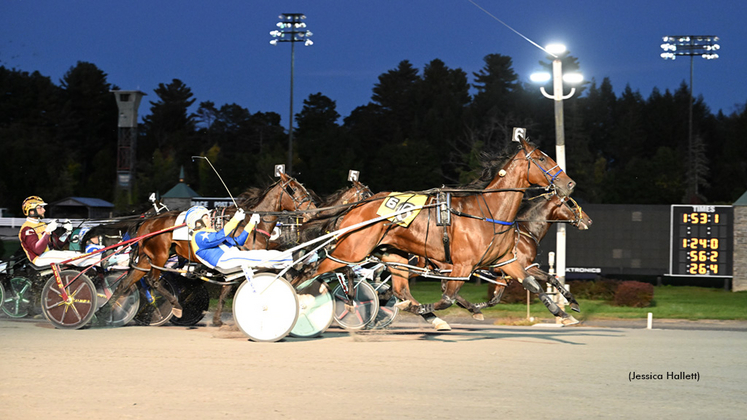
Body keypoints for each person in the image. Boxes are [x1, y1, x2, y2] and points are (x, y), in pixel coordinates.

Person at [186, 206, 294, 271]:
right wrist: (235, 219)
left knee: (263, 254)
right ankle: (292, 259)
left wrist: (251, 223)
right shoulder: (198, 236)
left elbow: (238, 241)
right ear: (197, 222)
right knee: (261, 256)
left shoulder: (211, 233)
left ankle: (290, 261)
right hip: (224, 260)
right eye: (206, 217)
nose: (210, 219)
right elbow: (219, 237)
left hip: (232, 255)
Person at [18, 196, 98, 267]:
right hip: (39, 258)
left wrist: (67, 232)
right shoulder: (27, 229)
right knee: (73, 258)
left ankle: (99, 260)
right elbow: (37, 250)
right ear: (31, 211)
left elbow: (58, 244)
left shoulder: (43, 225)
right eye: (40, 208)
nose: (44, 210)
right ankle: (99, 261)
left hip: (49, 254)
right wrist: (47, 232)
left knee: (76, 254)